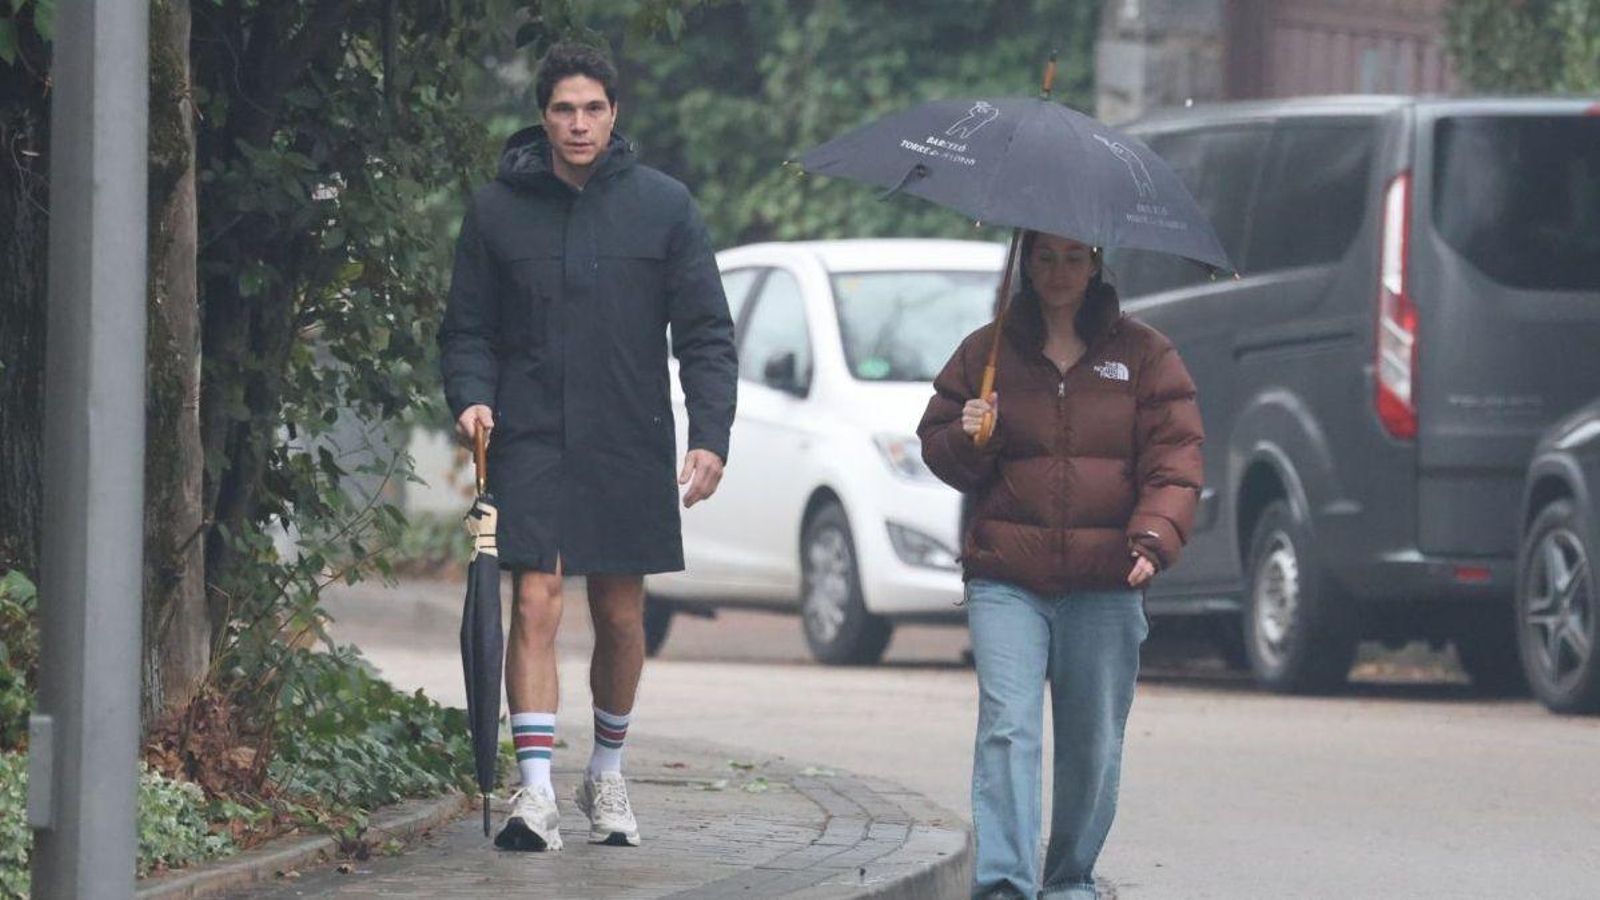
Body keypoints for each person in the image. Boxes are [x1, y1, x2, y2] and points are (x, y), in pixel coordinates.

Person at [438, 42, 737, 852]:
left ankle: (606, 768)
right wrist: (471, 395)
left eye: (593, 109)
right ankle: (533, 794)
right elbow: (467, 329)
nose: (579, 124)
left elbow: (706, 332)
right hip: (528, 433)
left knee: (621, 614)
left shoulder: (664, 207)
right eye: (564, 109)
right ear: (543, 115)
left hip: (626, 435)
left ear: (615, 114)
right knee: (535, 599)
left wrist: (711, 435)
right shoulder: (497, 210)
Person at [917, 231, 1203, 899]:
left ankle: (1070, 879)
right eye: (1044, 257)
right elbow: (939, 450)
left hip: (1106, 580)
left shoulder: (1145, 355)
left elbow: (1177, 458)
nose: (1057, 272)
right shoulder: (987, 352)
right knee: (1009, 728)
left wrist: (1154, 535)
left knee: (1092, 742)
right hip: (1006, 578)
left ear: (1097, 262)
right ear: (1026, 261)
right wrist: (969, 436)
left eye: (1074, 258)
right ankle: (1006, 885)